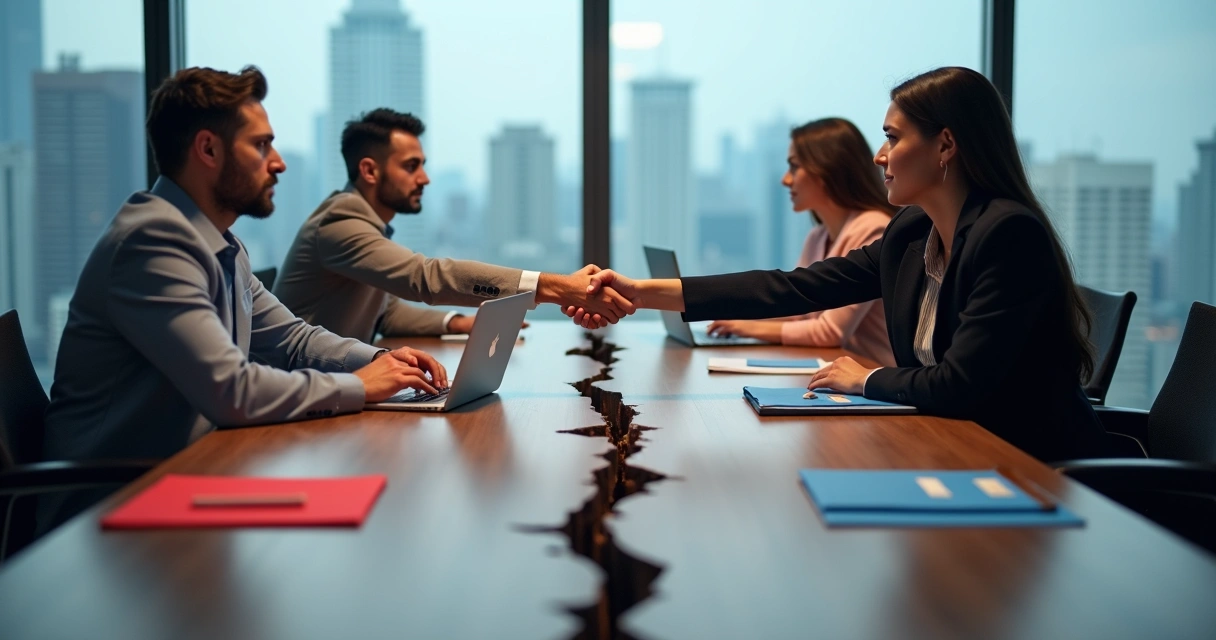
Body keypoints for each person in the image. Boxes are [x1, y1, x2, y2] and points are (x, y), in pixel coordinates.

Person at [568, 67, 1108, 462]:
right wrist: (637, 290)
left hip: (1031, 466)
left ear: (945, 146)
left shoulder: (1007, 235)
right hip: (952, 448)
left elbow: (960, 384)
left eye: (893, 138)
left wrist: (867, 377)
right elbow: (794, 288)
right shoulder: (912, 234)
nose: (880, 156)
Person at [39, 67, 448, 529]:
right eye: (260, 145)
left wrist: (383, 360)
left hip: (188, 475)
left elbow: (292, 340)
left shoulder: (219, 243)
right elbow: (230, 390)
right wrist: (361, 385)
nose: (278, 162)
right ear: (208, 149)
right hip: (107, 509)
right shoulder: (152, 242)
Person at [273, 108, 630, 344]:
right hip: (305, 395)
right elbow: (425, 277)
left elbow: (385, 313)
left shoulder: (365, 225)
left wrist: (459, 323)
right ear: (369, 171)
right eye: (411, 166)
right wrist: (557, 287)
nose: (424, 179)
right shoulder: (340, 223)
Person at [706, 117, 896, 367]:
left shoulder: (874, 228)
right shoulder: (818, 236)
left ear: (827, 169)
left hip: (873, 384)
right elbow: (799, 313)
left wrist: (746, 327)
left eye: (794, 167)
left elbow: (829, 332)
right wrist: (735, 319)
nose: (786, 180)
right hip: (833, 372)